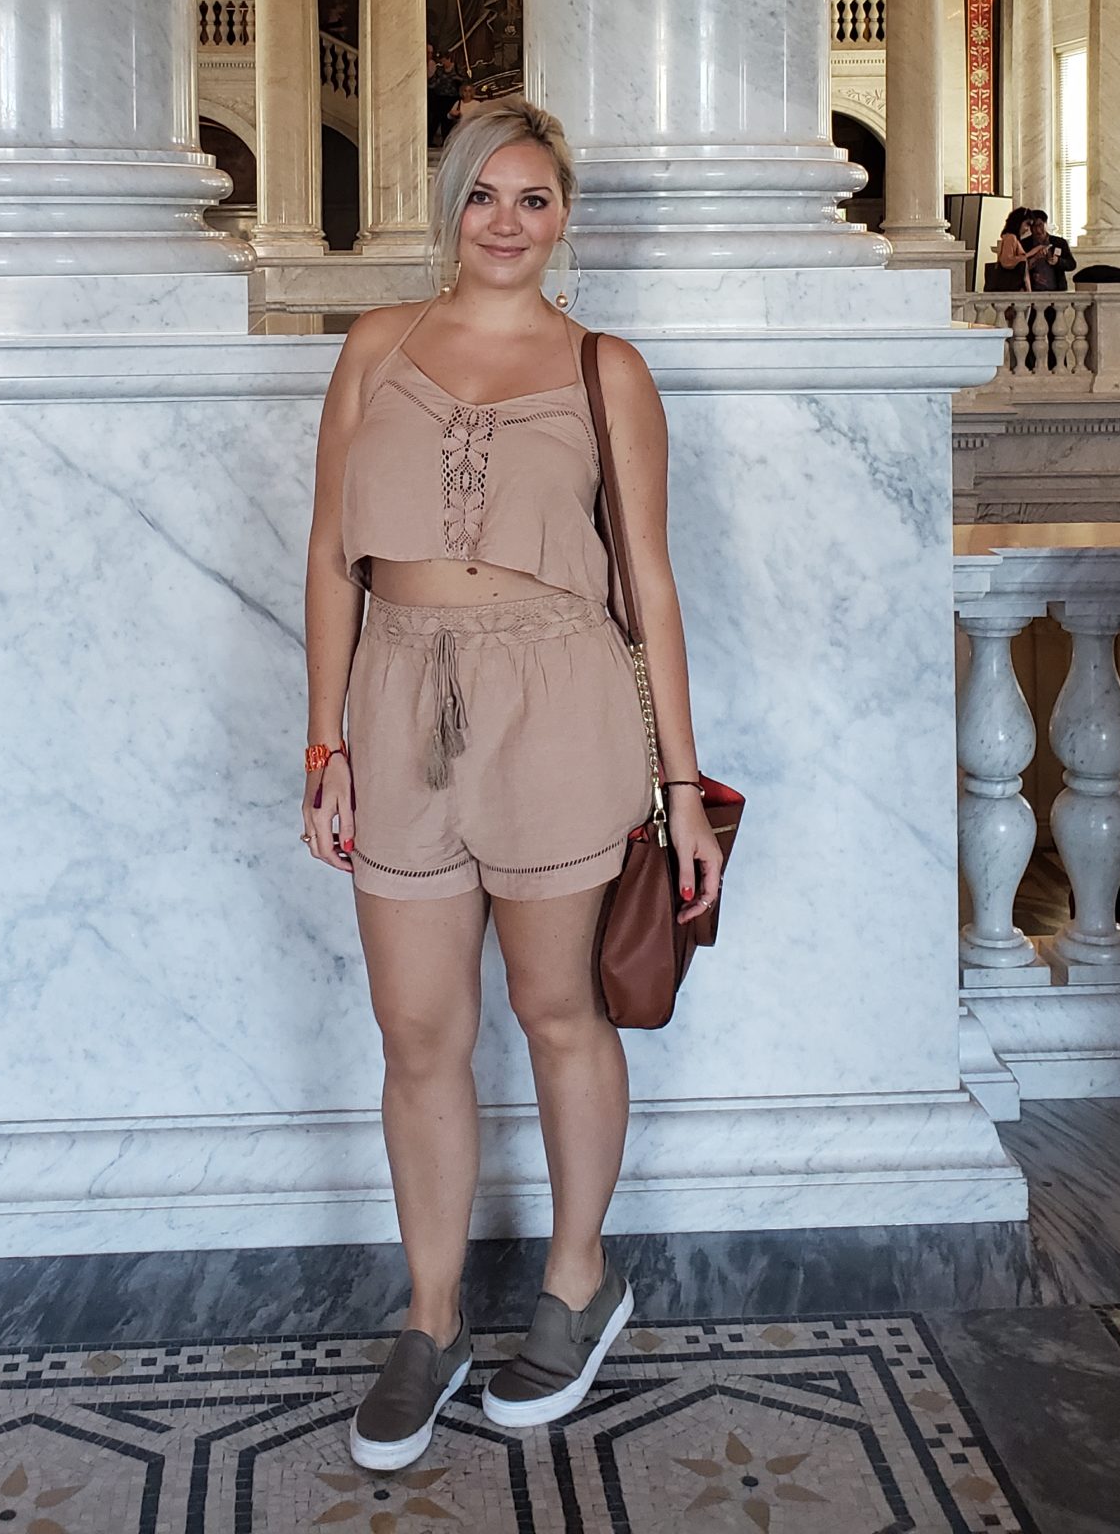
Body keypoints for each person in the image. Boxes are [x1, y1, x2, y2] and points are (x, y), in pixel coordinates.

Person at [304, 101, 722, 1471]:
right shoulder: (377, 346)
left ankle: (577, 1279)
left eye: (533, 198)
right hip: (396, 693)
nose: (505, 220)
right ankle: (429, 1321)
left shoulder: (607, 368)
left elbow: (649, 580)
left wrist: (678, 788)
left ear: (563, 218)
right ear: (449, 205)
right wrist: (324, 744)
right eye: (484, 194)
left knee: (557, 1011)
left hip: (559, 700)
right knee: (417, 1030)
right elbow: (329, 557)